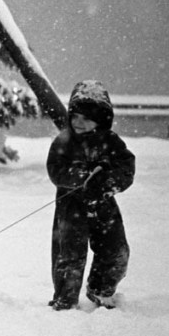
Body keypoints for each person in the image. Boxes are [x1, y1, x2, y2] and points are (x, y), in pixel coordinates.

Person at [46, 80, 135, 311]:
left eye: (86, 118)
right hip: (71, 208)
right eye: (75, 116)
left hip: (103, 206)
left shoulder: (111, 143)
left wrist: (106, 183)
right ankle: (65, 300)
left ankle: (101, 289)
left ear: (101, 119)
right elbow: (56, 170)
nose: (79, 123)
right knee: (70, 256)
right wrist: (79, 177)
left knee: (115, 250)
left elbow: (126, 169)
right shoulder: (63, 142)